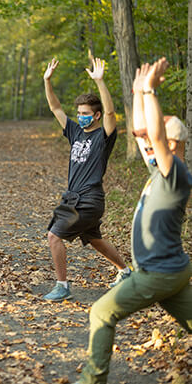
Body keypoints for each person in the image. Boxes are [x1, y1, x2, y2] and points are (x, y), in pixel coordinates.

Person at [75, 58, 191, 384]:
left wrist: (151, 90)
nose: (145, 145)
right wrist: (138, 92)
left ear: (170, 146)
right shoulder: (160, 169)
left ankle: (91, 380)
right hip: (171, 271)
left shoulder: (175, 175)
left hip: (158, 274)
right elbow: (144, 132)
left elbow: (152, 133)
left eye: (155, 143)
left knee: (101, 311)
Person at [42, 57, 131, 301]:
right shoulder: (74, 132)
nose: (81, 117)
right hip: (74, 197)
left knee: (54, 235)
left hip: (88, 198)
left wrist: (100, 82)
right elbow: (55, 108)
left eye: (85, 113)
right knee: (94, 239)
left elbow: (112, 112)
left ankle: (62, 286)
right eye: (79, 113)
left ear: (97, 115)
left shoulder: (104, 137)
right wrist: (47, 81)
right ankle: (125, 272)